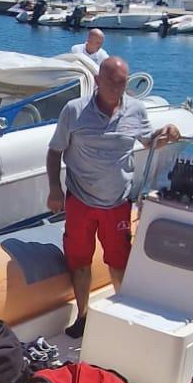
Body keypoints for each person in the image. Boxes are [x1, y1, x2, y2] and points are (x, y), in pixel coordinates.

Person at [47, 56, 180, 338]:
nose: (118, 88)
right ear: (97, 81)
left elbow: (149, 140)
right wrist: (54, 188)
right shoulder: (74, 110)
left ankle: (123, 317)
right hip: (80, 200)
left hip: (118, 202)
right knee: (80, 262)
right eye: (112, 82)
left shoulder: (136, 110)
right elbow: (54, 151)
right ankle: (82, 316)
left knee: (119, 262)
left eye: (123, 82)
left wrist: (168, 133)